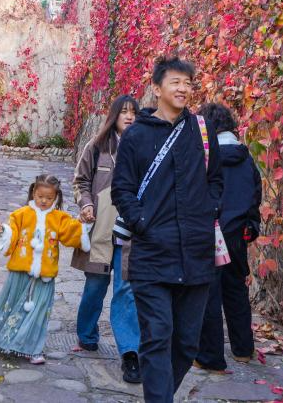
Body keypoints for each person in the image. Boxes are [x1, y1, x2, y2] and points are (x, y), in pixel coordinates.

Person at [111, 55, 223, 403]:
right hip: (152, 254)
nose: (183, 88)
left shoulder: (202, 131)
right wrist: (142, 223)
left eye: (188, 83)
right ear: (157, 88)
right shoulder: (137, 136)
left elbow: (217, 180)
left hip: (196, 255)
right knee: (157, 335)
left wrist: (208, 212)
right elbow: (121, 189)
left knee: (187, 342)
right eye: (175, 81)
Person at [0, 174, 90, 364]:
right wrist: (3, 231)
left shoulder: (59, 218)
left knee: (39, 312)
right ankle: (5, 339)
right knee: (13, 306)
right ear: (33, 192)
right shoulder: (21, 214)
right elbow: (12, 230)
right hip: (20, 272)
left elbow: (71, 233)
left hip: (45, 275)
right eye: (40, 196)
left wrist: (83, 224)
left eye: (49, 198)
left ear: (55, 197)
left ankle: (33, 349)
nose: (44, 201)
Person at [71, 94, 142, 383]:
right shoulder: (97, 146)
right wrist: (86, 203)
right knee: (95, 287)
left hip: (131, 236)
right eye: (124, 112)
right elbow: (81, 181)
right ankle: (87, 334)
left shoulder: (143, 149)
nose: (129, 117)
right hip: (100, 231)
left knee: (126, 292)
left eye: (133, 113)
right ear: (114, 115)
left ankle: (129, 353)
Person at [193, 102, 261, 372]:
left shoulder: (206, 157)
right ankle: (243, 349)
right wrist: (250, 225)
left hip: (213, 229)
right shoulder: (247, 158)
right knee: (236, 290)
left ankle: (209, 355)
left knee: (209, 292)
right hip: (239, 232)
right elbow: (256, 194)